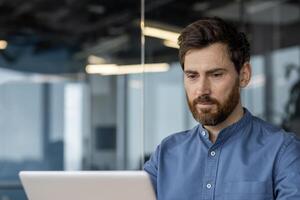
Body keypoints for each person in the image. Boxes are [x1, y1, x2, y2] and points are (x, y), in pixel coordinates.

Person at [143, 17, 300, 200]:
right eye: (192, 76)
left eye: (216, 74)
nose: (202, 89)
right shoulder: (166, 153)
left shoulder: (282, 151)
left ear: (244, 75)